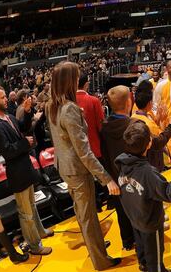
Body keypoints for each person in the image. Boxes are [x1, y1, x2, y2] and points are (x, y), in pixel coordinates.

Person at [46, 61, 121, 271]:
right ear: (70, 81)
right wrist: (106, 179)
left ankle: (94, 244)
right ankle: (101, 260)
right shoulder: (69, 109)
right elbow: (84, 151)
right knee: (87, 215)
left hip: (64, 167)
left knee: (82, 214)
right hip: (78, 169)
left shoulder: (51, 103)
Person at [101, 85, 171, 250]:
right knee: (141, 212)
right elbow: (157, 143)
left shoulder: (104, 126)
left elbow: (103, 155)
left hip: (117, 176)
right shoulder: (134, 124)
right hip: (137, 176)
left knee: (122, 210)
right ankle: (145, 248)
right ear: (129, 102)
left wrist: (109, 179)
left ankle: (127, 242)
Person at [115, 120, 171, 272]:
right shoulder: (148, 173)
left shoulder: (122, 162)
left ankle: (143, 265)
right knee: (155, 256)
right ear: (149, 144)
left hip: (134, 217)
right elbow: (169, 193)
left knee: (141, 247)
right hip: (150, 223)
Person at [0, 86, 53, 256]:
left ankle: (40, 232)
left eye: (5, 96)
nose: (6, 99)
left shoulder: (9, 117)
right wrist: (24, 144)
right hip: (16, 172)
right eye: (2, 97)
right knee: (26, 213)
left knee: (32, 207)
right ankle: (35, 245)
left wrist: (27, 112)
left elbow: (24, 127)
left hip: (25, 168)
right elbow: (7, 151)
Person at [153, 60, 171, 175]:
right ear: (166, 69)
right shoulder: (161, 86)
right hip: (169, 124)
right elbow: (156, 105)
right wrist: (159, 121)